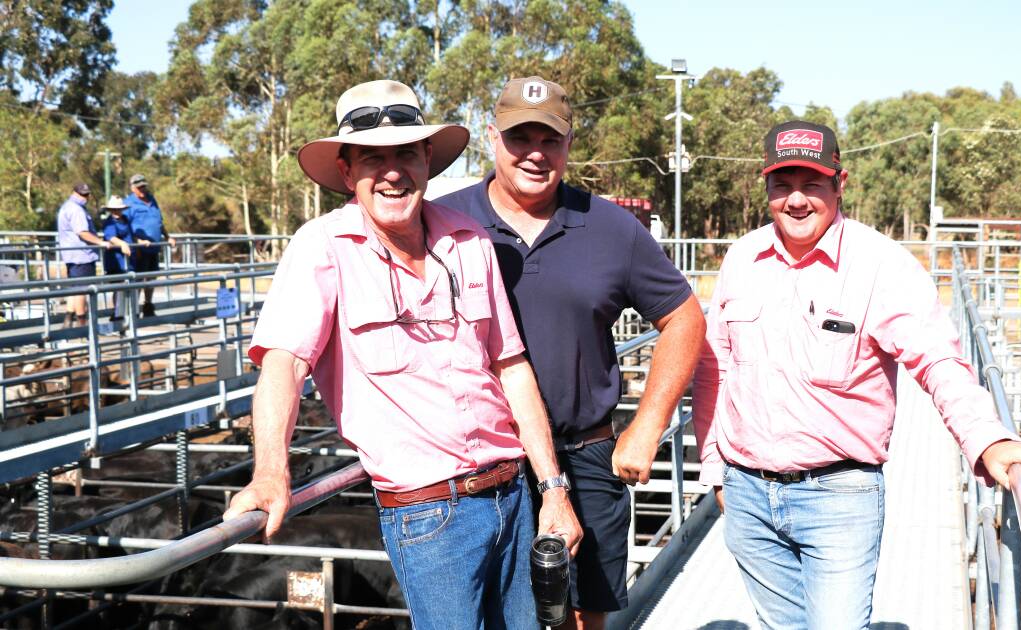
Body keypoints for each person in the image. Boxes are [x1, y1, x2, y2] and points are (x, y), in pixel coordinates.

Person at [222, 80, 582, 630]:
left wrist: (553, 489)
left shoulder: (469, 241)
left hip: (513, 495)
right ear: (347, 172)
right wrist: (271, 470)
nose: (392, 171)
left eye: (406, 154)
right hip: (429, 514)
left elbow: (510, 365)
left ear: (427, 161)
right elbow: (284, 365)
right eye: (372, 157)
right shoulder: (323, 249)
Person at [691, 120, 1021, 630]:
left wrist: (988, 439)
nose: (795, 200)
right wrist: (713, 467)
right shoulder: (742, 259)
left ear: (840, 183)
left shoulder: (882, 265)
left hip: (839, 495)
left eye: (811, 184)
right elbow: (715, 367)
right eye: (781, 184)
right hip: (747, 493)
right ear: (765, 187)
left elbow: (937, 359)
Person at [435, 76, 705, 630]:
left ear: (569, 145)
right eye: (519, 137)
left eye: (549, 139)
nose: (535, 154)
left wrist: (648, 425)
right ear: (492, 137)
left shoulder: (611, 227)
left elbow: (684, 317)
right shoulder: (444, 222)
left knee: (583, 616)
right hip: (481, 466)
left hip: (584, 455)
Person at [55, 183, 108, 328]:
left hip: (73, 256)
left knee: (76, 287)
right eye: (83, 194)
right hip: (81, 256)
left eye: (87, 194)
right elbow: (82, 232)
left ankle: (68, 320)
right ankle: (82, 324)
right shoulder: (76, 210)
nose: (86, 197)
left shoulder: (68, 207)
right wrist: (101, 243)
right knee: (82, 290)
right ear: (75, 193)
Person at [124, 173, 176, 317]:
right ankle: (133, 309)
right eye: (139, 187)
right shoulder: (128, 203)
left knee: (152, 277)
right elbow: (124, 226)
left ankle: (148, 305)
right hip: (139, 248)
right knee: (138, 278)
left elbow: (159, 222)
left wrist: (168, 236)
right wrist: (137, 241)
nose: (142, 190)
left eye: (144, 187)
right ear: (133, 188)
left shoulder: (152, 200)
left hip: (154, 246)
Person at [100, 195, 134, 324]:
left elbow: (131, 235)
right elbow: (111, 237)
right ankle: (117, 313)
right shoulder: (110, 222)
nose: (117, 211)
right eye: (114, 209)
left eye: (118, 209)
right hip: (116, 259)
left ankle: (126, 312)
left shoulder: (125, 219)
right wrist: (122, 244)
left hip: (128, 259)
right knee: (118, 286)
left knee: (127, 285)